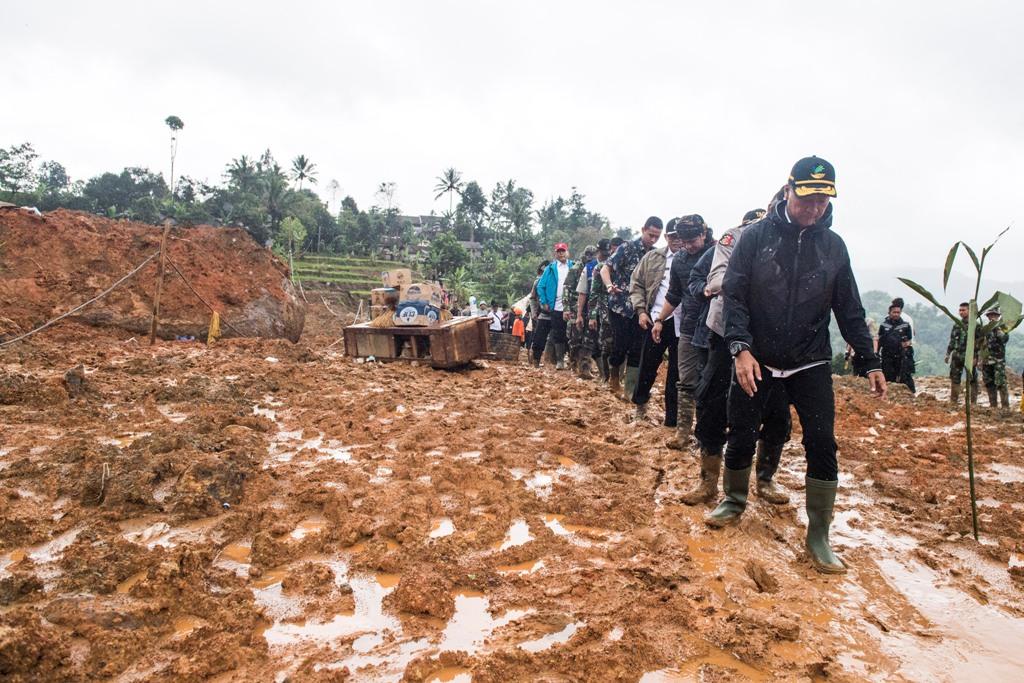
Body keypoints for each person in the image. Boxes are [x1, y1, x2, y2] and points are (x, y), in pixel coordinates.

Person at [708, 156, 886, 576]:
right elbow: (733, 297)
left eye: (823, 200)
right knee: (743, 432)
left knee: (822, 442)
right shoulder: (755, 239)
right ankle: (733, 500)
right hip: (758, 358)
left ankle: (819, 534)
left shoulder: (834, 246)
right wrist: (740, 349)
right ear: (787, 191)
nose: (814, 208)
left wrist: (871, 361)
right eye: (807, 198)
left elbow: (849, 310)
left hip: (810, 361)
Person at [682, 208, 792, 505]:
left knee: (776, 407)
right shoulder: (735, 238)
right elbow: (716, 279)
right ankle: (707, 480)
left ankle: (766, 478)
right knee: (712, 402)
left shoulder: (795, 242)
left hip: (772, 338)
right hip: (724, 331)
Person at [653, 215, 716, 446]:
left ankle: (706, 435)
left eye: (692, 241)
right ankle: (682, 433)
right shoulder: (679, 260)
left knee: (711, 383)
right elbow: (674, 295)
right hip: (689, 328)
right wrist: (659, 319)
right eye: (684, 241)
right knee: (686, 381)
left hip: (714, 329)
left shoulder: (719, 254)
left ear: (704, 234)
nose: (688, 246)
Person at [602, 217, 662, 399]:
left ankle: (629, 389)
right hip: (620, 306)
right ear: (643, 229)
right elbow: (606, 268)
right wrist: (609, 286)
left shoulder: (655, 254)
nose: (653, 240)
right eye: (650, 235)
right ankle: (613, 378)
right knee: (620, 345)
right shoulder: (627, 248)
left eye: (657, 237)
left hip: (642, 310)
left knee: (637, 349)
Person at [629, 223, 684, 424]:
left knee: (677, 374)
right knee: (648, 366)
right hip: (655, 319)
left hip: (683, 323)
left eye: (681, 236)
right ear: (666, 238)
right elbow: (636, 285)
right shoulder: (652, 258)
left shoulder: (694, 258)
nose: (678, 240)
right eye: (673, 236)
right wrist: (641, 312)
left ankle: (672, 420)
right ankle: (640, 407)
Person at [533, 243, 574, 370]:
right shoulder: (550, 268)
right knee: (557, 333)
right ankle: (559, 361)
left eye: (563, 251)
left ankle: (572, 362)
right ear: (555, 253)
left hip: (571, 306)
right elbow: (540, 286)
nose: (561, 253)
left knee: (572, 335)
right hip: (554, 306)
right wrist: (544, 302)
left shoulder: (573, 266)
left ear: (567, 252)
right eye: (558, 251)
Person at [589, 238, 622, 382]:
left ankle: (619, 377)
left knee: (623, 344)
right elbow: (594, 293)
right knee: (606, 344)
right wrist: (591, 316)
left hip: (625, 310)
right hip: (605, 309)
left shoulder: (630, 266)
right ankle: (606, 376)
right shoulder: (600, 268)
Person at [563, 246, 595, 374]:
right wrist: (566, 308)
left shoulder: (596, 267)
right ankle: (573, 361)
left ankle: (585, 367)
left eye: (592, 255)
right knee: (575, 337)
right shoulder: (575, 269)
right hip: (575, 307)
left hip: (590, 307)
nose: (589, 257)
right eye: (588, 254)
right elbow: (566, 288)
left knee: (588, 338)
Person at [945, 302, 979, 406]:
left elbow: (979, 342)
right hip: (957, 356)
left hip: (969, 356)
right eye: (960, 310)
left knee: (972, 379)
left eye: (963, 310)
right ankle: (953, 401)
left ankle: (972, 403)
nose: (961, 312)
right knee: (955, 378)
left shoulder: (975, 325)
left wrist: (976, 357)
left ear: (969, 311)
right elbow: (952, 340)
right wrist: (948, 353)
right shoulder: (957, 325)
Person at [877, 303, 915, 393]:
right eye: (894, 312)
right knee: (888, 376)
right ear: (889, 312)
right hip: (887, 355)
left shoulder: (905, 325)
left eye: (898, 312)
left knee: (904, 376)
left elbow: (909, 341)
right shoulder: (884, 325)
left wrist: (905, 346)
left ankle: (909, 394)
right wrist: (876, 353)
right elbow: (879, 340)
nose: (896, 314)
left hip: (901, 355)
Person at [982, 307, 1010, 410]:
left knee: (1000, 382)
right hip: (986, 361)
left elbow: (1004, 339)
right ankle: (993, 406)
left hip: (998, 361)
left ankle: (1005, 407)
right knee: (989, 383)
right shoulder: (985, 329)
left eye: (994, 315)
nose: (992, 317)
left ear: (998, 316)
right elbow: (981, 344)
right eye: (990, 315)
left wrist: (997, 328)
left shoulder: (1003, 328)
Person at [528, 261, 549, 365]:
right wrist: (534, 313)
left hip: (555, 312)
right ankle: (535, 359)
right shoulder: (537, 282)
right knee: (538, 337)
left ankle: (551, 360)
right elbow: (532, 298)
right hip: (541, 313)